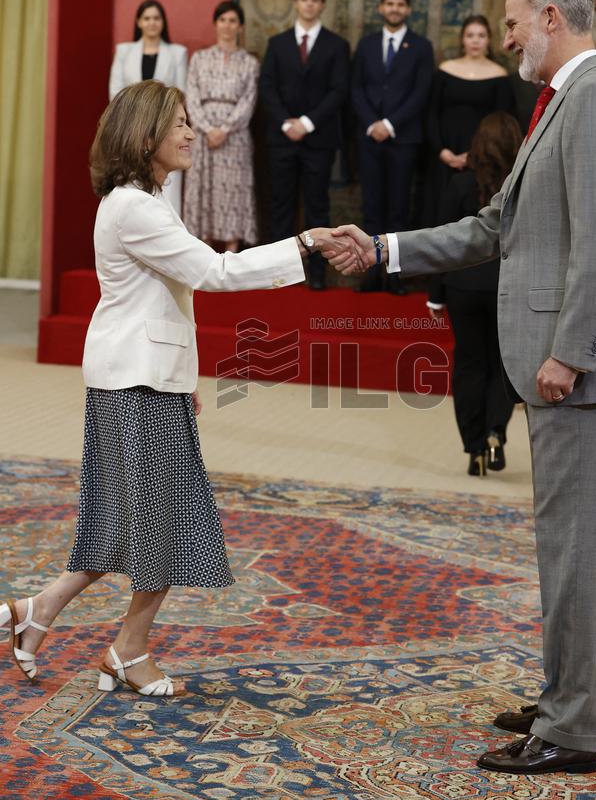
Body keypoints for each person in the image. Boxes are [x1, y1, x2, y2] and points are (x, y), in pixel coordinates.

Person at [328, 0, 596, 775]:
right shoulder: (562, 102)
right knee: (562, 546)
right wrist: (383, 249)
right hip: (560, 364)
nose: (505, 39)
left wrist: (568, 353)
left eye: (512, 24)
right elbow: (492, 225)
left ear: (549, 17)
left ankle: (573, 731)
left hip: (577, 368)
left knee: (573, 550)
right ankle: (570, 698)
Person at [0, 81, 357, 697]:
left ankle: (38, 613)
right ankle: (126, 652)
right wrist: (303, 242)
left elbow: (165, 300)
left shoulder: (144, 199)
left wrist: (179, 380)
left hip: (143, 379)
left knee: (124, 522)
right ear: (144, 137)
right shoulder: (135, 206)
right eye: (180, 123)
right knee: (165, 523)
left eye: (191, 122)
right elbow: (211, 272)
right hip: (135, 382)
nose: (191, 132)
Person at [428, 112, 523, 476]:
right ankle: (496, 429)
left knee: (469, 364)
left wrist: (435, 294)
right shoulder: (523, 183)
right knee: (501, 363)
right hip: (507, 287)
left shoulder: (458, 185)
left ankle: (474, 448)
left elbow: (441, 241)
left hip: (463, 287)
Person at [259, 0, 350, 289]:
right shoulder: (277, 43)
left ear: (322, 4)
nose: (309, 4)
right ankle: (280, 273)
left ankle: (317, 274)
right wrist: (287, 123)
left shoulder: (337, 45)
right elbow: (267, 87)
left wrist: (307, 123)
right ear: (295, 3)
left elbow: (339, 90)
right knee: (281, 205)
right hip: (282, 139)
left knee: (317, 207)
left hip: (318, 140)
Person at [351, 0, 434, 293]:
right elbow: (355, 88)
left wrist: (389, 123)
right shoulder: (367, 44)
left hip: (403, 139)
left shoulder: (422, 46)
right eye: (390, 3)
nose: (395, 8)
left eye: (401, 4)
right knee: (371, 207)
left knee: (399, 209)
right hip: (369, 138)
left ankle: (395, 276)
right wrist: (373, 123)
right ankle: (372, 273)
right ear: (381, 8)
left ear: (408, 9)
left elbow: (420, 92)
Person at [422, 15, 513, 231]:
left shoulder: (500, 76)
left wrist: (473, 155)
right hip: (443, 155)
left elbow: (502, 123)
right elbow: (430, 114)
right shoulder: (445, 70)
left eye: (481, 35)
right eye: (470, 35)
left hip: (481, 159)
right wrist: (441, 150)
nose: (475, 40)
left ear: (489, 40)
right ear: (462, 39)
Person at [184, 1, 259, 251]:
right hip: (203, 136)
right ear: (215, 24)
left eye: (233, 21)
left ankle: (232, 249)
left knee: (234, 191)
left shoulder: (249, 63)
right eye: (223, 20)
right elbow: (191, 97)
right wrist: (206, 128)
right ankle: (202, 250)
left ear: (241, 27)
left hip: (234, 137)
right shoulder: (200, 59)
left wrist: (225, 129)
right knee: (204, 188)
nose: (227, 26)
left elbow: (248, 101)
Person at [109, 0, 188, 214]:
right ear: (139, 22)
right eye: (147, 18)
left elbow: (180, 94)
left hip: (166, 130)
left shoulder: (177, 53)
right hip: (131, 130)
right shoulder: (124, 52)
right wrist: (137, 120)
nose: (152, 22)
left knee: (167, 190)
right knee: (131, 184)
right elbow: (116, 93)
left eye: (156, 18)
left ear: (163, 22)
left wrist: (159, 121)